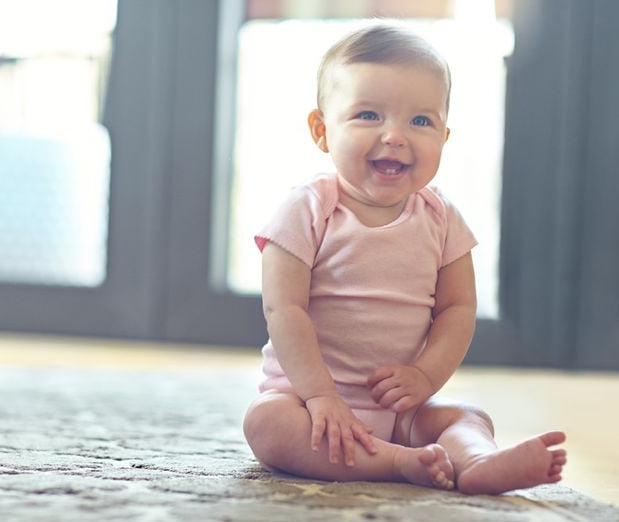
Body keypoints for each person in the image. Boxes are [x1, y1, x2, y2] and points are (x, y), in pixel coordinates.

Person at [242, 23, 567, 494]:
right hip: (310, 401)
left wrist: (424, 375)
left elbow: (457, 309)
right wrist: (319, 396)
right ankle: (399, 464)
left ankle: (475, 461)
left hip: (400, 408)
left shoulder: (441, 218)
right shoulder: (307, 209)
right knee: (267, 425)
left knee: (467, 416)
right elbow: (283, 309)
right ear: (322, 130)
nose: (394, 136)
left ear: (444, 136)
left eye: (420, 121)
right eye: (369, 115)